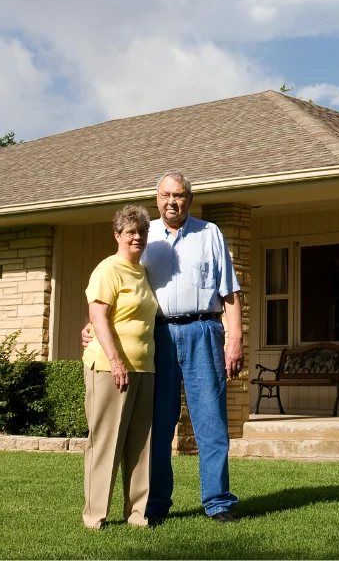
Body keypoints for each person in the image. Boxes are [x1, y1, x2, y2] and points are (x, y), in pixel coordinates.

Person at [83, 171, 244, 524]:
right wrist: (95, 323)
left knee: (211, 421)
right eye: (166, 195)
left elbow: (229, 292)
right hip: (158, 337)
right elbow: (121, 290)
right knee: (157, 424)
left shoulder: (210, 234)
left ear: (190, 198)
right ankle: (154, 504)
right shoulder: (144, 235)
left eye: (180, 195)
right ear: (157, 199)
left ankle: (217, 502)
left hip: (204, 330)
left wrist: (235, 339)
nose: (173, 201)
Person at [81, 205, 158, 530]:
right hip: (110, 368)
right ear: (117, 235)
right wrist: (115, 361)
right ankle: (95, 515)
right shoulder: (108, 270)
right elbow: (97, 317)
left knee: (140, 444)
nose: (137, 237)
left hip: (144, 368)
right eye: (130, 232)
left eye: (141, 232)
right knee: (106, 442)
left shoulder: (142, 272)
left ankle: (137, 513)